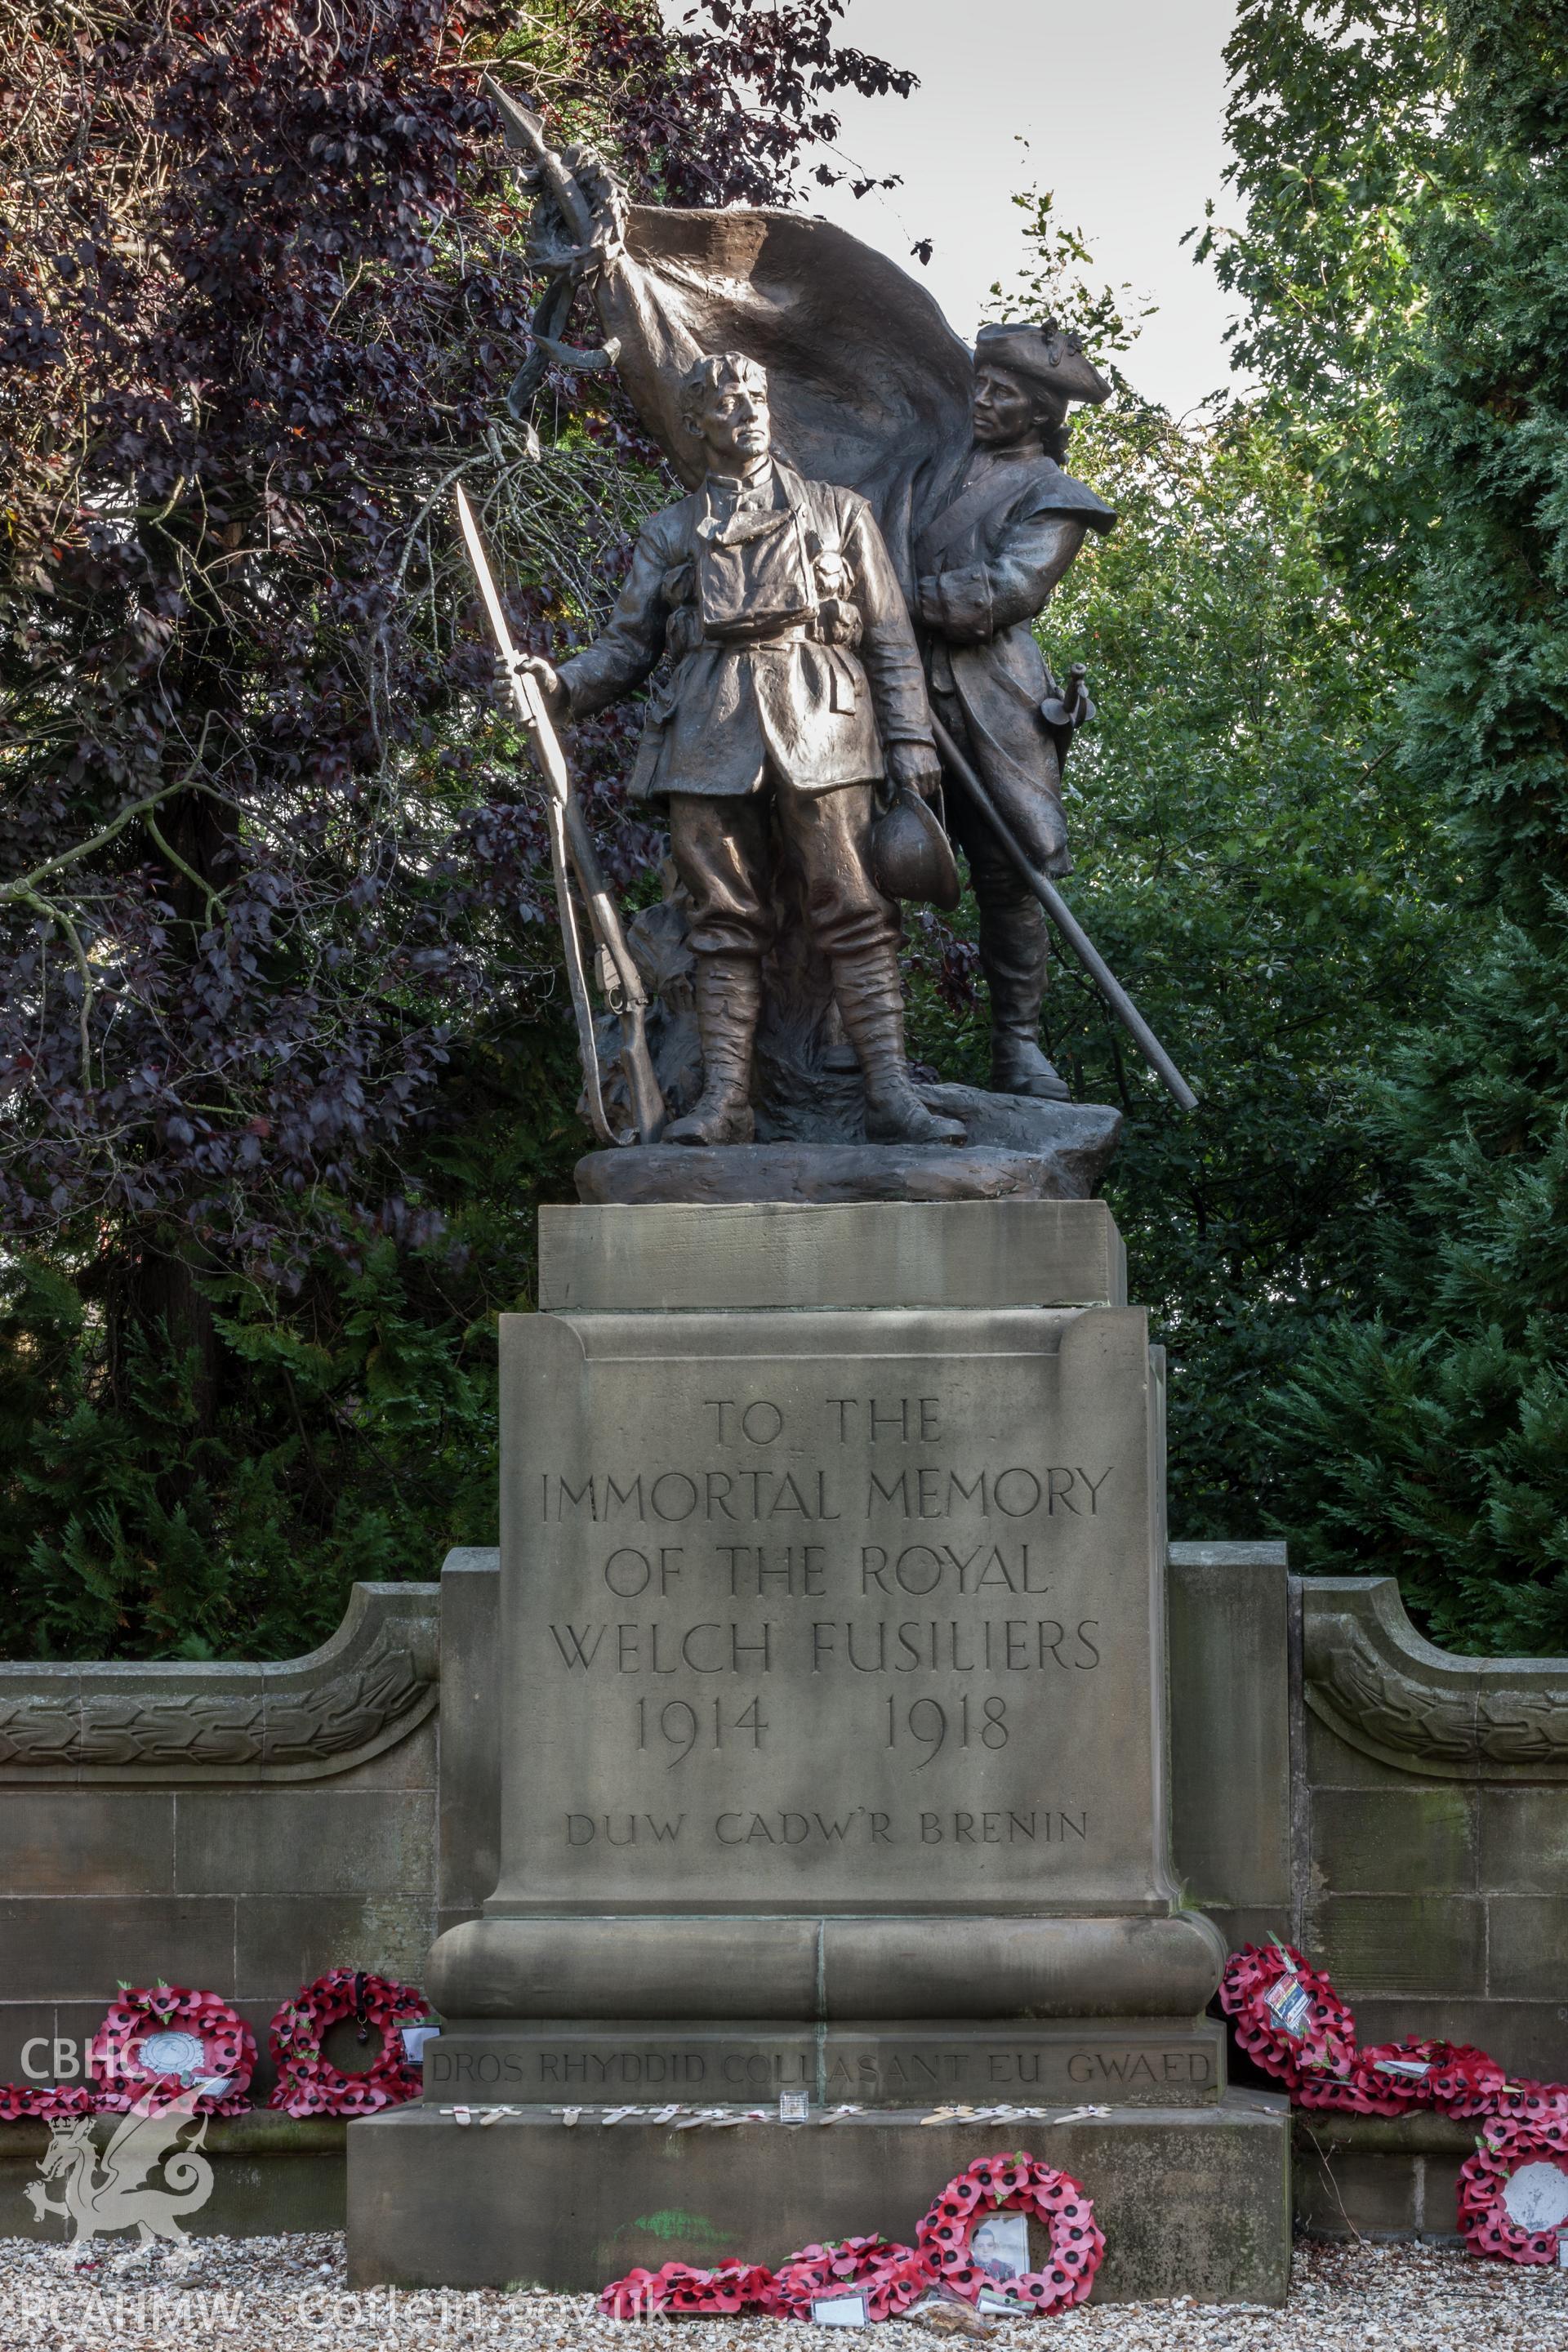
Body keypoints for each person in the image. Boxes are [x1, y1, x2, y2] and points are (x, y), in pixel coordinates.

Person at [518, 351, 964, 1149]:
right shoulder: (669, 530)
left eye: (756, 397)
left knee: (859, 912)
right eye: (727, 404)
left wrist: (908, 737)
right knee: (721, 923)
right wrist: (560, 686)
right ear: (697, 424)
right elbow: (627, 647)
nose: (748, 412)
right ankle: (726, 1103)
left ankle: (891, 1096)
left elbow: (892, 637)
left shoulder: (840, 512)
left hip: (826, 721)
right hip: (709, 729)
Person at [915, 320, 1116, 1100]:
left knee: (1012, 872)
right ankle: (861, 1052)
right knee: (866, 856)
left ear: (1039, 415)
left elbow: (1010, 591)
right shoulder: (930, 462)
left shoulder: (1055, 498)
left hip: (992, 696)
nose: (983, 400)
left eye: (1002, 393)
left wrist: (896, 599)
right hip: (892, 680)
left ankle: (1019, 1049)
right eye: (981, 385)